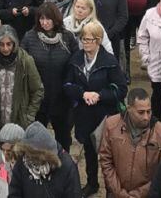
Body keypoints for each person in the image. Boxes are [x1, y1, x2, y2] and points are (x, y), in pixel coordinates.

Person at [64, 22, 128, 196]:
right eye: (83, 39)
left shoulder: (110, 62)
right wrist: (82, 93)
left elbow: (121, 89)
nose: (86, 43)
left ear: (98, 40)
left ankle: (111, 187)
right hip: (84, 115)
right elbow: (68, 85)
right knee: (89, 152)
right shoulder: (76, 59)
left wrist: (99, 95)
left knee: (109, 155)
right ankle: (92, 183)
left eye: (90, 39)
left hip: (105, 117)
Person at [20, 2, 78, 155]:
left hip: (61, 98)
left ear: (56, 19)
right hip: (38, 99)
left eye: (48, 19)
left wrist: (69, 87)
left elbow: (75, 64)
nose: (44, 23)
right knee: (35, 141)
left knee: (63, 139)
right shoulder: (30, 37)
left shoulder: (68, 38)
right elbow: (23, 66)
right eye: (41, 19)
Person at [97, 87, 161, 198]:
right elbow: (106, 161)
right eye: (141, 112)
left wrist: (137, 195)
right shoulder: (111, 125)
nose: (146, 117)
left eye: (149, 111)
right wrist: (119, 193)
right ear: (129, 108)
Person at [0, 24, 44, 148]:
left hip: (19, 121)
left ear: (14, 43)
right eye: (1, 44)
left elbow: (38, 90)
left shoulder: (25, 61)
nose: (5, 48)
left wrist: (28, 117)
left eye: (9, 44)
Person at [8, 120, 84, 197]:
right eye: (27, 153)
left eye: (32, 154)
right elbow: (14, 192)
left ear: (44, 155)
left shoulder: (67, 167)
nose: (28, 158)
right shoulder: (22, 162)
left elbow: (74, 194)